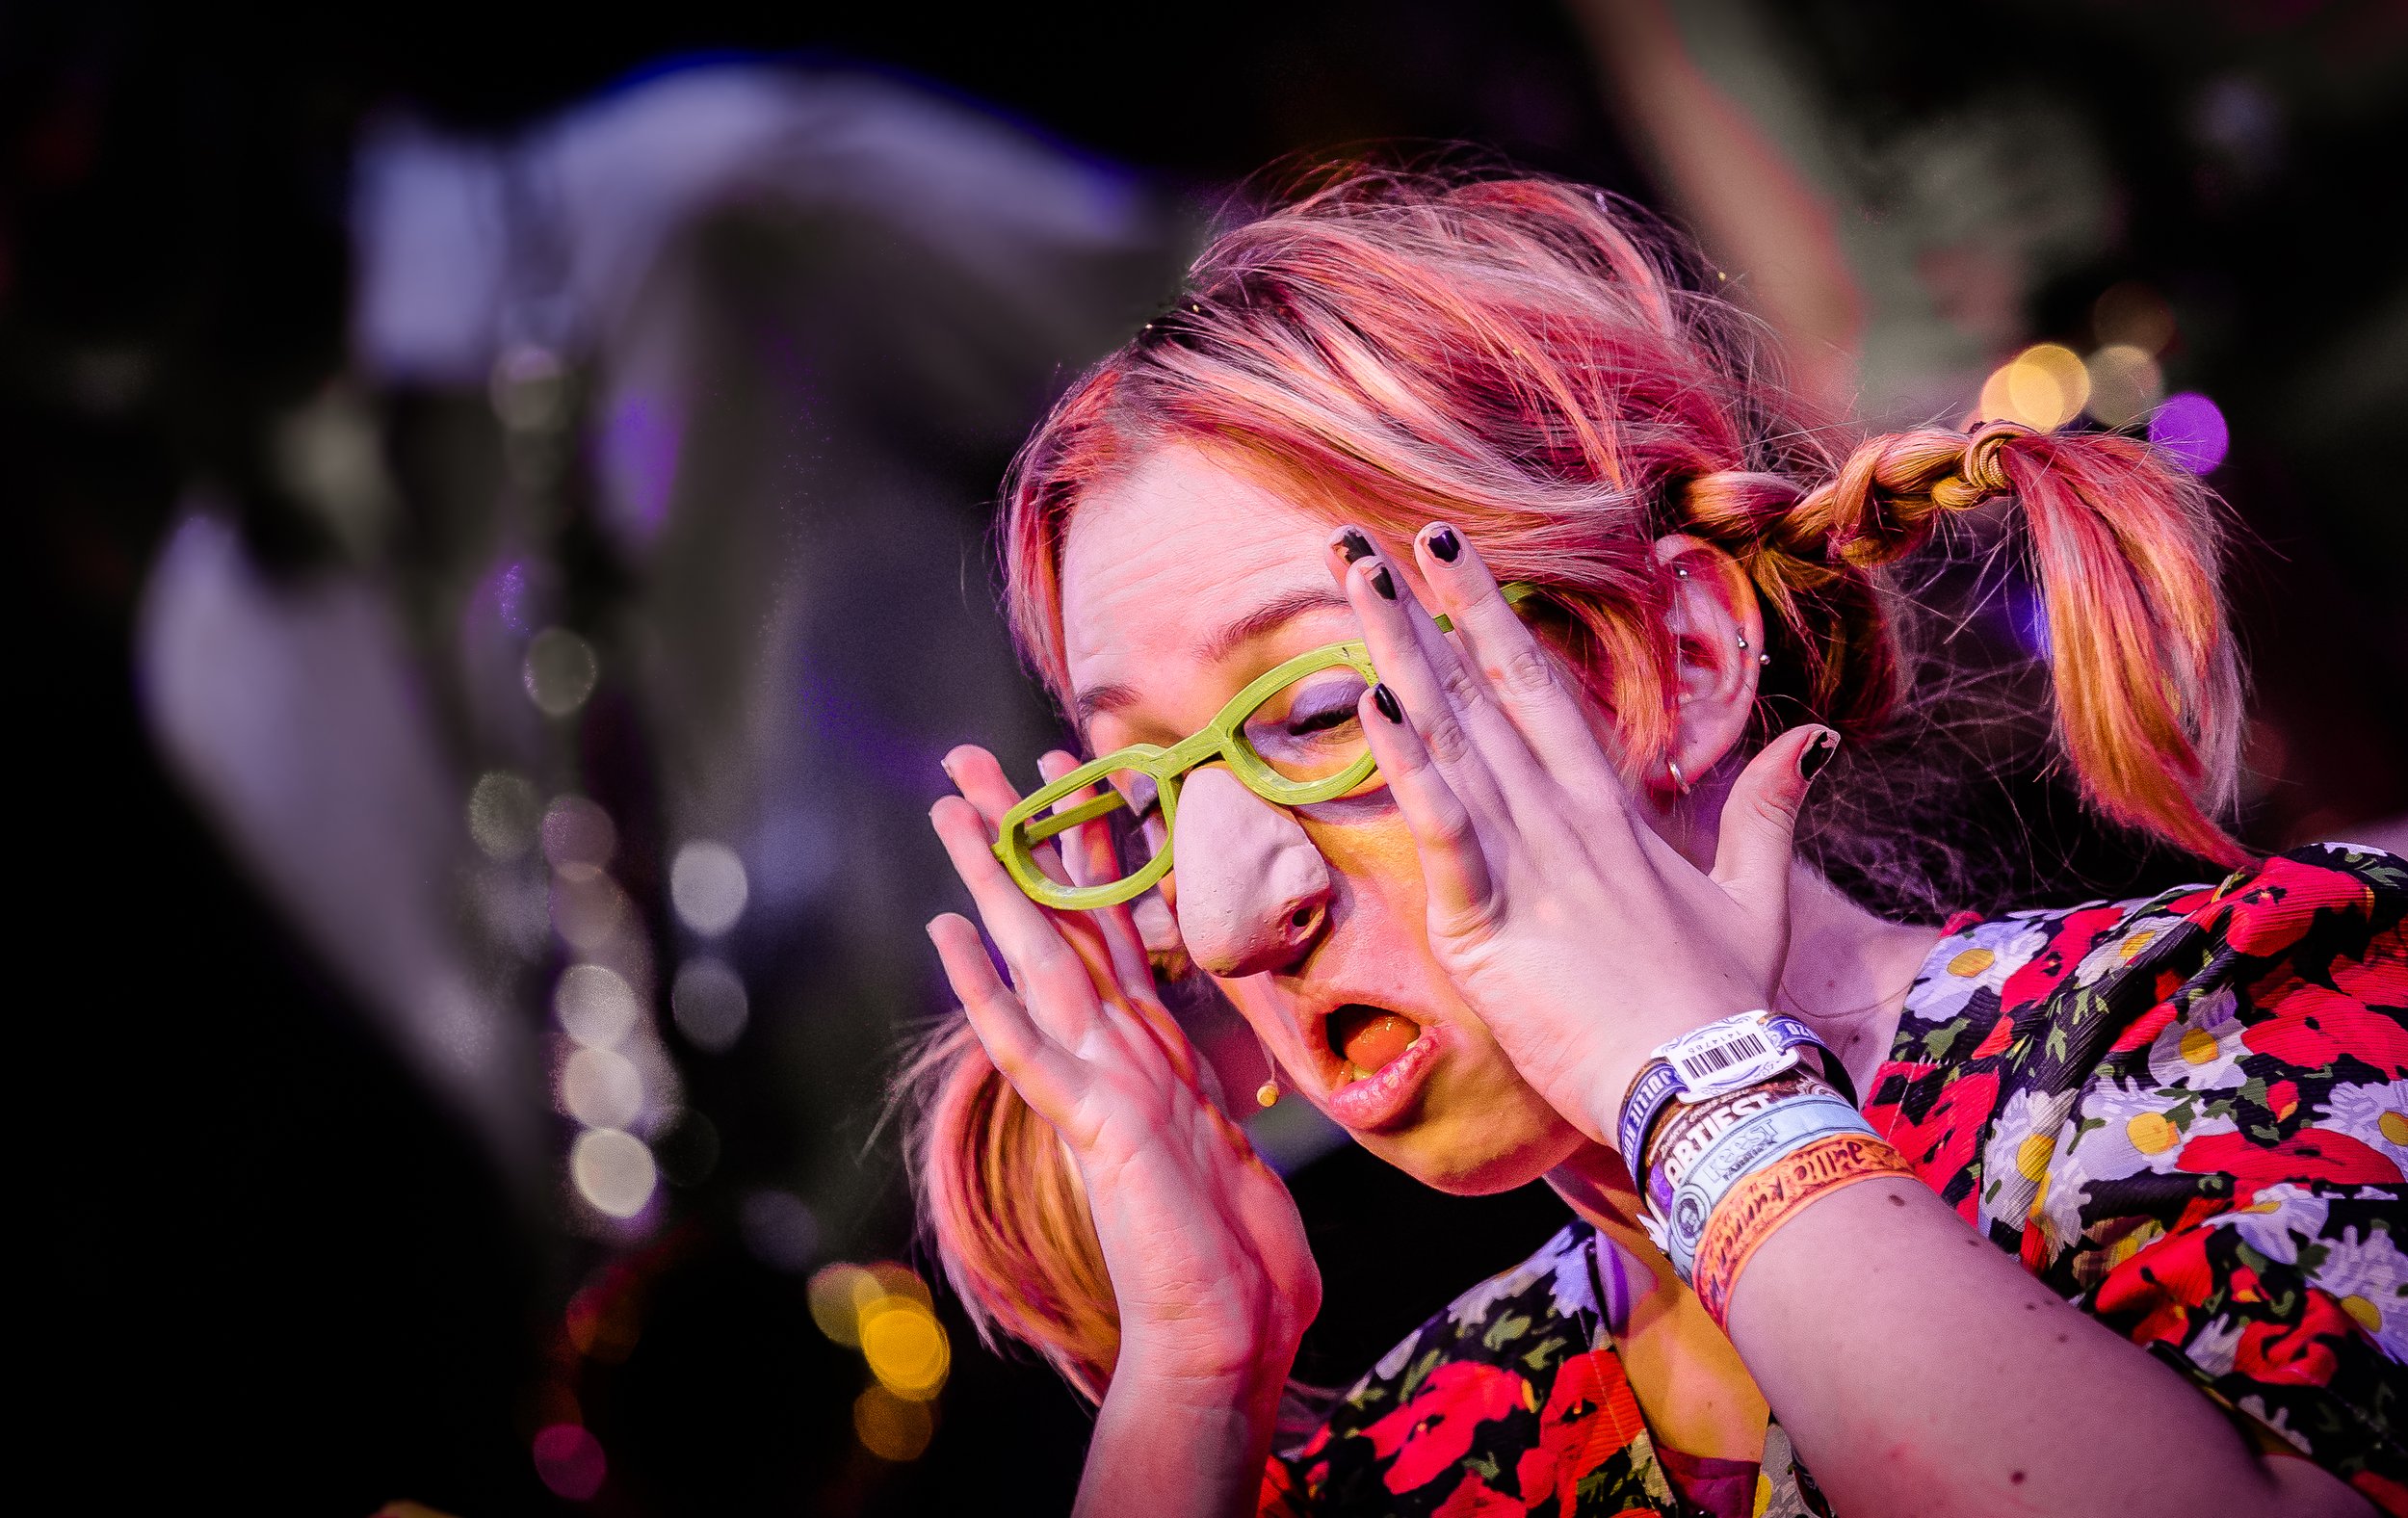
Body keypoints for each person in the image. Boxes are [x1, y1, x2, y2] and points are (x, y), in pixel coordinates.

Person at [906, 171, 2407, 1518]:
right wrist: (1193, 1384)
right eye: (1149, 790)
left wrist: (1709, 1102)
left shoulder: (2235, 1042)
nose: (1230, 917)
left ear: (1673, 663)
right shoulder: (1442, 1449)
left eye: (1314, 712)